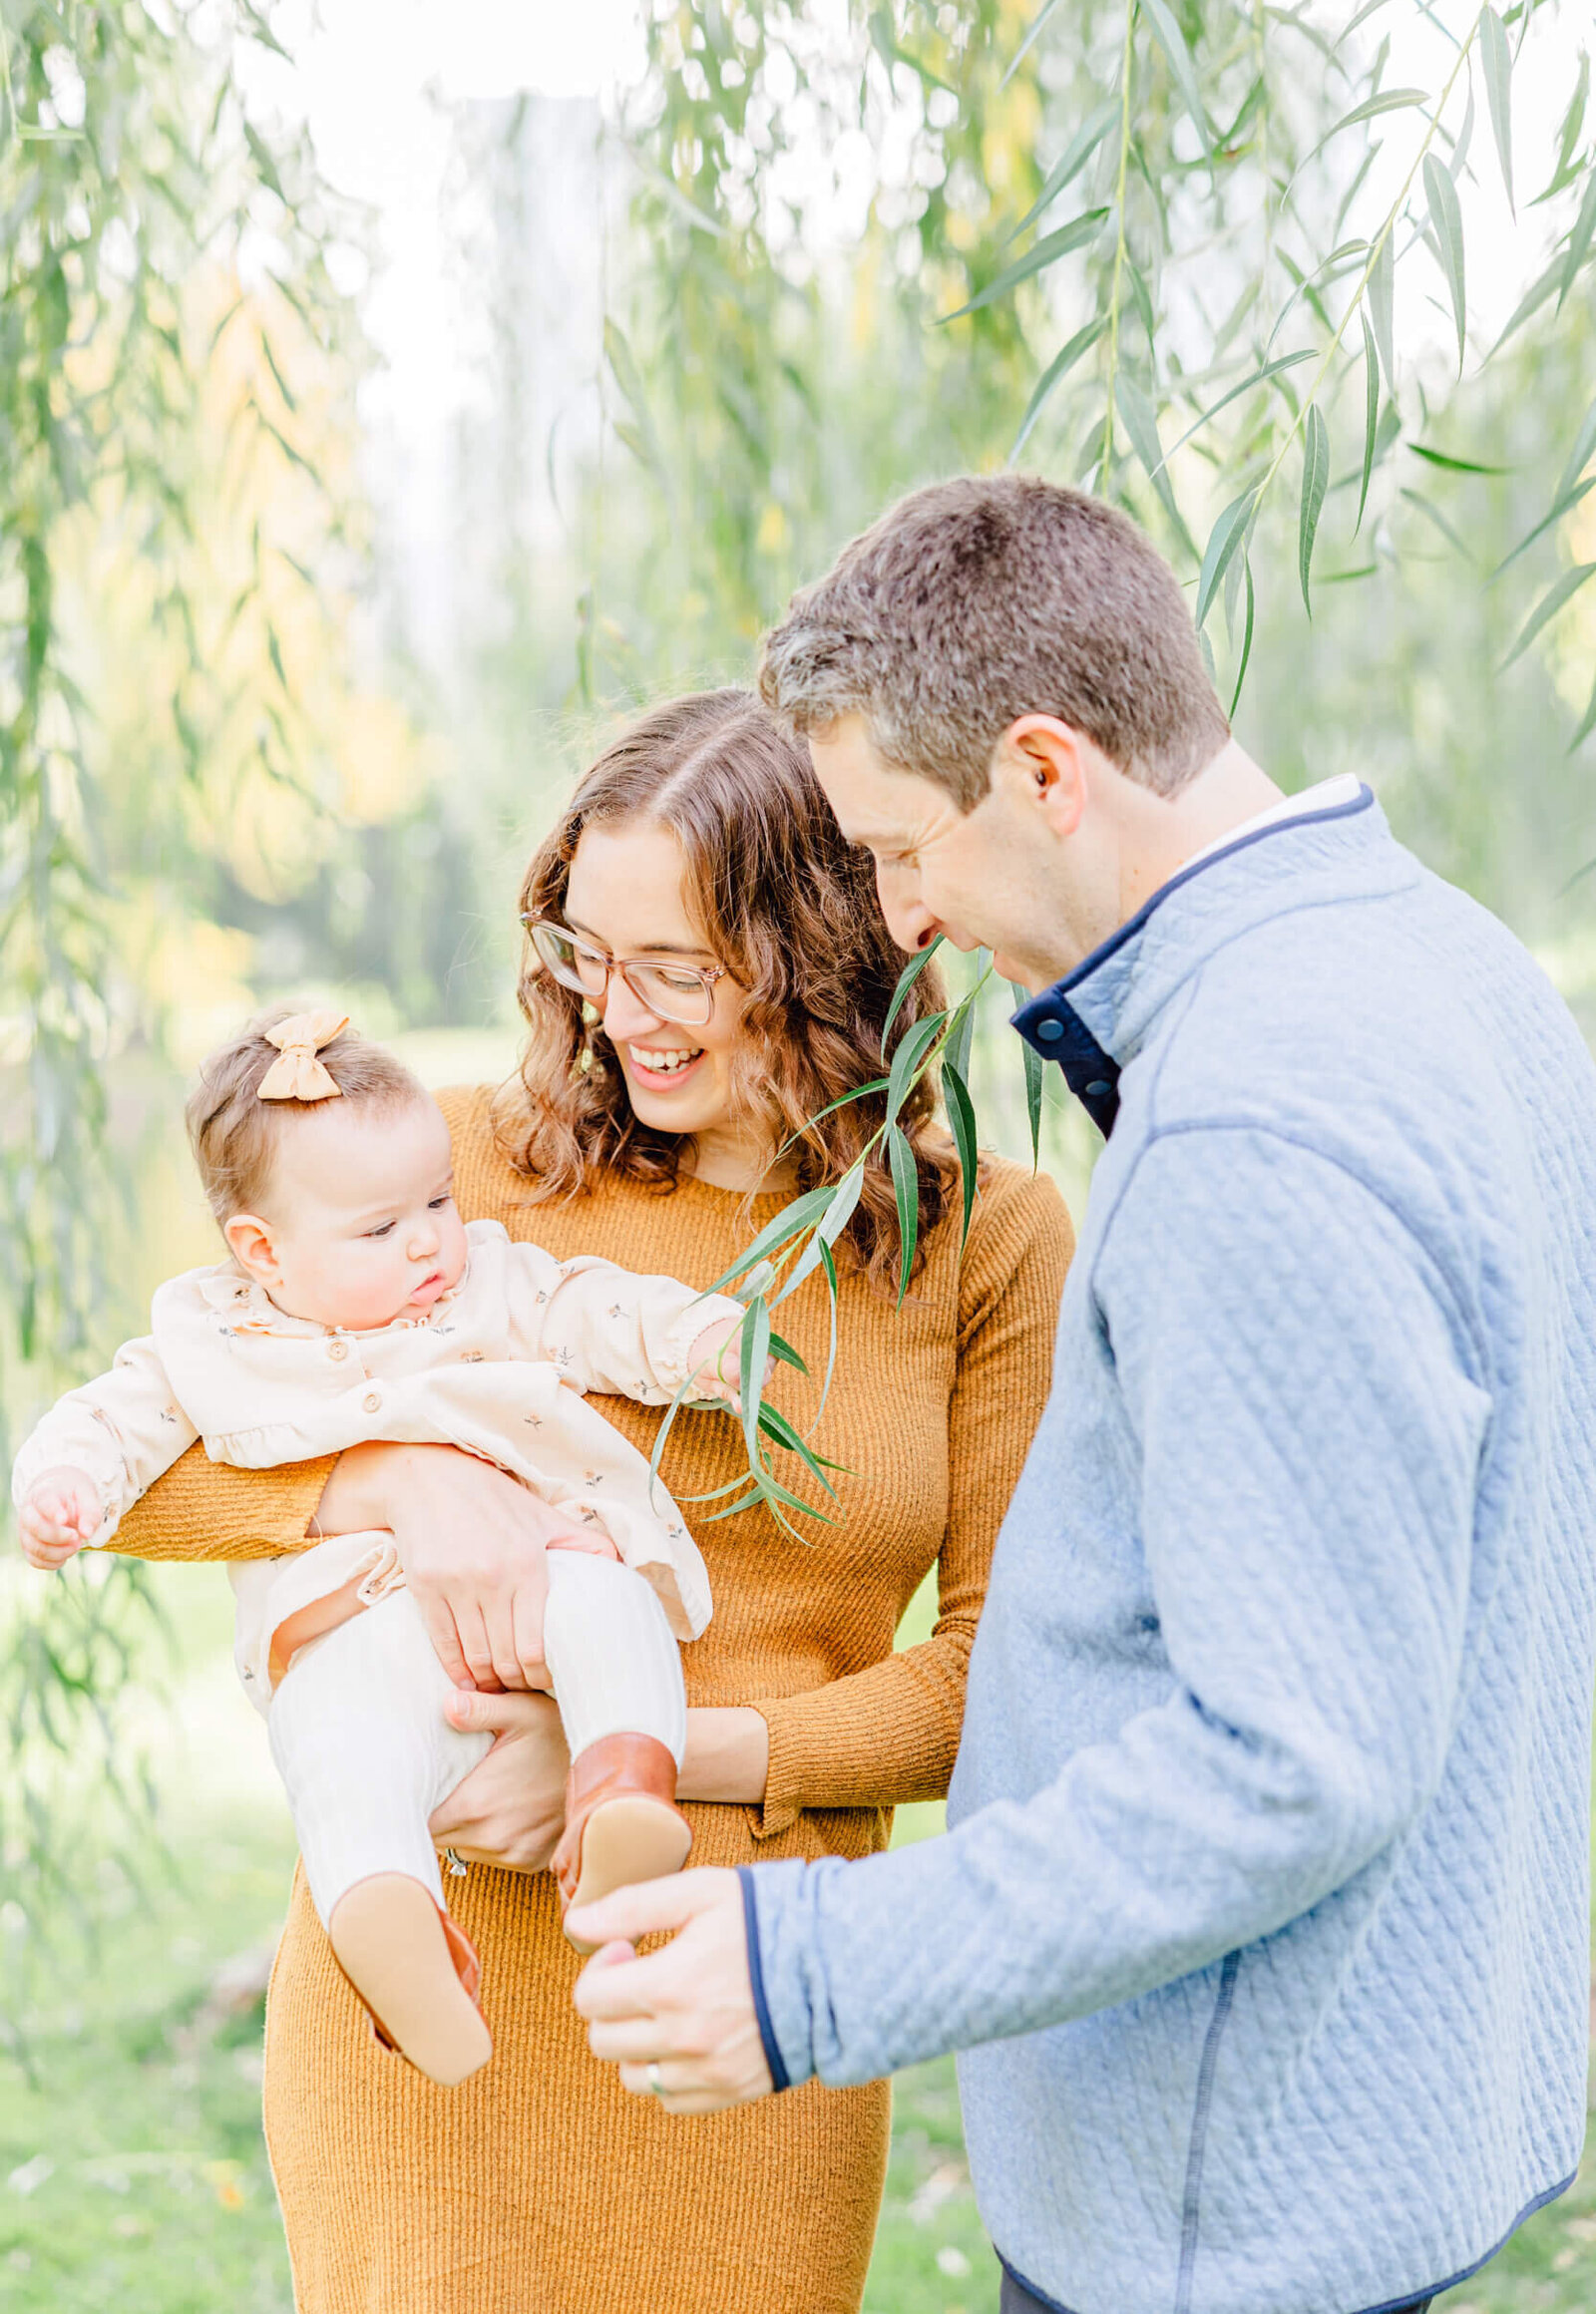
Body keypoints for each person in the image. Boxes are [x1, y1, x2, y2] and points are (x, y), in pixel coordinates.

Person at [570, 479, 1596, 2314]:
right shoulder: (1446, 962)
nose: (901, 921)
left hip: (1220, 2208)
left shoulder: (1252, 1116)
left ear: (1047, 771)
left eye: (898, 849)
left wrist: (809, 1970)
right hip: (1383, 2116)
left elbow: (1294, 1760)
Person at [94, 686, 1072, 2314]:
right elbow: (153, 1449)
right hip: (436, 2045)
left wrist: (648, 1749)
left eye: (679, 968)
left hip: (733, 2009)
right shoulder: (454, 1168)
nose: (623, 1014)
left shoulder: (981, 1240)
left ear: (835, 947)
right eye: (587, 956)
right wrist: (388, 1480)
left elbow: (993, 1678)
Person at [14, 1007, 753, 2085]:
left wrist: (702, 1345)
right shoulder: (212, 1335)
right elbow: (117, 1419)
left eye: (440, 1203)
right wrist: (64, 1483)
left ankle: (622, 1787)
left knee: (611, 1608)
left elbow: (594, 1310)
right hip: (351, 1638)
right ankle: (393, 1931)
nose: (428, 1240)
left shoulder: (485, 1281)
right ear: (260, 1252)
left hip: (535, 1578)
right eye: (379, 1229)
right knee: (337, 1751)